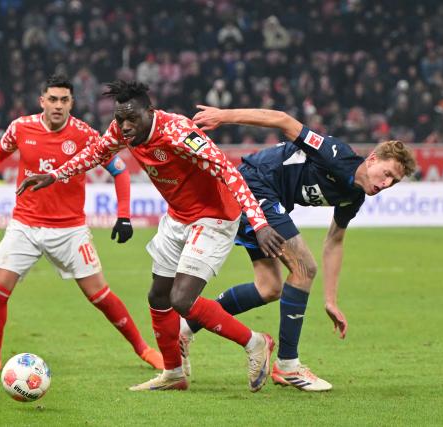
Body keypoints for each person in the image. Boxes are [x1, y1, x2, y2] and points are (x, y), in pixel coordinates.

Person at [17, 80, 287, 392]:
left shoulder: (178, 132)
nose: (124, 126)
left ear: (150, 111)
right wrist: (54, 175)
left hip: (214, 216)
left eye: (132, 118)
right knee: (158, 296)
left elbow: (229, 172)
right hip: (177, 216)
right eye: (120, 119)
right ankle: (173, 373)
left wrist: (260, 223)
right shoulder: (121, 131)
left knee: (182, 299)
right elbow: (95, 153)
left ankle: (255, 342)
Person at [180, 105, 417, 391]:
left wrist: (330, 300)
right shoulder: (335, 154)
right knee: (304, 268)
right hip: (255, 183)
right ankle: (288, 365)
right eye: (387, 173)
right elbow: (283, 120)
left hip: (269, 198)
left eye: (394, 181)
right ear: (373, 159)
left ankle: (185, 328)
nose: (386, 183)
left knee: (269, 287)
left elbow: (334, 240)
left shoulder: (353, 197)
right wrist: (223, 116)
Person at [0, 74, 163, 374]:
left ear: (72, 103)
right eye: (53, 99)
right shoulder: (21, 127)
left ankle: (145, 350)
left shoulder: (85, 134)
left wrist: (123, 215)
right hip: (26, 224)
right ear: (42, 101)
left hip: (69, 229)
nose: (58, 106)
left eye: (64, 100)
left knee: (99, 295)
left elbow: (120, 171)